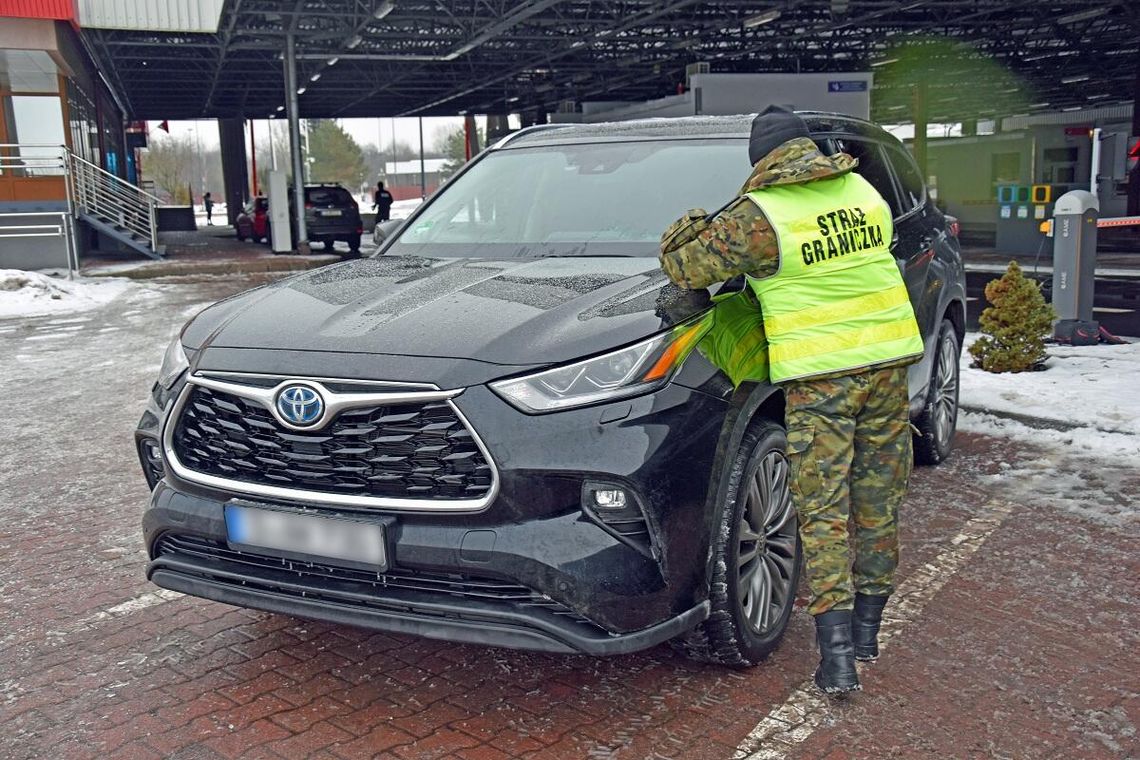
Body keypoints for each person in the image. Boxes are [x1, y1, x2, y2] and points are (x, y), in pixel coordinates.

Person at [658, 106, 924, 695]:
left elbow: (683, 265)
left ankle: (836, 659)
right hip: (887, 366)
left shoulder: (762, 215)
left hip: (824, 378)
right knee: (878, 498)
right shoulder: (862, 189)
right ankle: (867, 631)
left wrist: (693, 223)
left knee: (822, 511)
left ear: (762, 161)